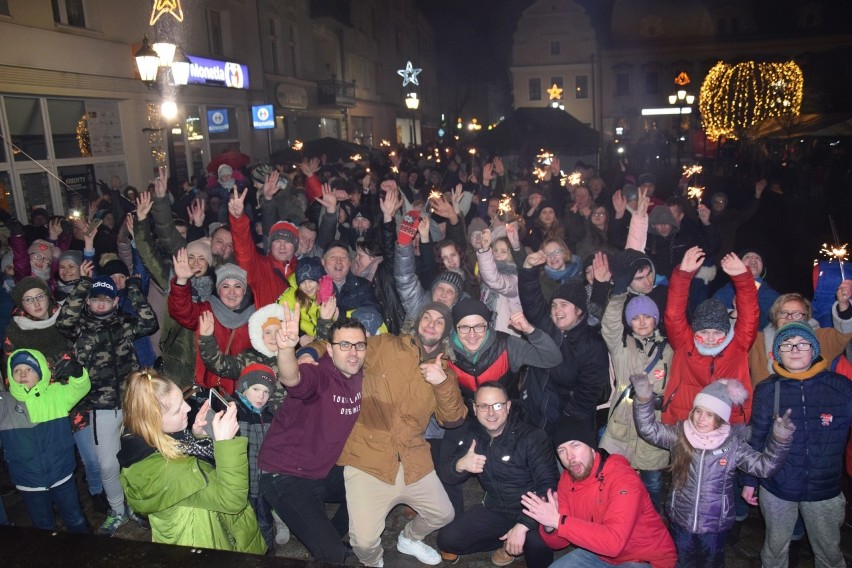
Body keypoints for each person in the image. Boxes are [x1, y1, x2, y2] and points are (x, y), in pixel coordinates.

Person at [334, 301, 468, 567]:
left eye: (439, 321)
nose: (431, 323)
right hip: (368, 457)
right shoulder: (384, 345)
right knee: (362, 541)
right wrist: (310, 353)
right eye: (426, 317)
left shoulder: (447, 373)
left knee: (444, 513)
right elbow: (345, 352)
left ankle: (408, 539)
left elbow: (453, 419)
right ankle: (374, 562)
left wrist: (441, 383)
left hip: (412, 458)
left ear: (445, 332)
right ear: (417, 322)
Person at [633, 376, 794, 567]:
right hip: (680, 518)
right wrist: (644, 399)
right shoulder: (679, 435)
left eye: (710, 414)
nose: (701, 419)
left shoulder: (733, 445)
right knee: (682, 562)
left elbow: (764, 467)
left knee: (711, 563)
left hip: (715, 524)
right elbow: (648, 430)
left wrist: (780, 440)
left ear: (720, 418)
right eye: (698, 411)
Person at [117, 369, 266, 553]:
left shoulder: (149, 443)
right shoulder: (169, 471)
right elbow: (233, 500)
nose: (188, 408)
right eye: (178, 408)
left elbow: (187, 459)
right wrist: (226, 444)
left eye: (183, 399)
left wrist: (196, 436)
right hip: (202, 546)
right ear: (154, 420)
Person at [742, 322, 852, 568]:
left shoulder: (841, 387)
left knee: (829, 553)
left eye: (802, 343)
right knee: (774, 549)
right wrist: (749, 481)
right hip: (777, 486)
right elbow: (756, 436)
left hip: (825, 490)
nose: (794, 349)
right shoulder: (768, 389)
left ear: (813, 349)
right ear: (777, 353)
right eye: (787, 344)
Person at [57, 270, 158, 535]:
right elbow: (64, 321)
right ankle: (116, 510)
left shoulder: (125, 323)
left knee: (137, 459)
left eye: (107, 299)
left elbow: (149, 323)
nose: (101, 303)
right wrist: (83, 285)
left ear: (115, 302)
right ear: (89, 301)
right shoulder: (78, 327)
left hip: (132, 403)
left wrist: (133, 287)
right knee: (107, 464)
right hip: (100, 407)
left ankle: (136, 507)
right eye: (96, 298)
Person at [258, 315, 366, 564]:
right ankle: (328, 545)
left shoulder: (358, 375)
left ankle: (329, 535)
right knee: (332, 556)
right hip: (284, 474)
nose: (353, 353)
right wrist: (286, 351)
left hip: (321, 470)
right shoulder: (319, 373)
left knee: (372, 480)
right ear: (329, 349)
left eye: (359, 345)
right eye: (344, 345)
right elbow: (293, 378)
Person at [520, 421, 678, 568]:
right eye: (562, 451)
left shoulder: (623, 479)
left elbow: (613, 544)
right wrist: (549, 525)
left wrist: (558, 521)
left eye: (575, 445)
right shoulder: (566, 480)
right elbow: (559, 542)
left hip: (644, 558)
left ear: (591, 446)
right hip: (599, 554)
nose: (569, 457)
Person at [436, 382, 559, 567]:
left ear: (508, 406)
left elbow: (549, 484)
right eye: (483, 406)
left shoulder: (531, 436)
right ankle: (505, 540)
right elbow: (447, 474)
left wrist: (524, 524)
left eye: (497, 405)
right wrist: (460, 465)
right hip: (496, 509)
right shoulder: (474, 435)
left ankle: (520, 540)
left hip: (531, 511)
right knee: (446, 539)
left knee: (537, 544)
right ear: (474, 409)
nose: (491, 413)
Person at [661, 248, 758, 425]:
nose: (711, 338)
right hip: (683, 422)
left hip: (729, 424)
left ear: (726, 331)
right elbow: (673, 314)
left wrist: (743, 278)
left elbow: (750, 315)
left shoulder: (738, 345)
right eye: (703, 332)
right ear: (694, 331)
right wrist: (683, 275)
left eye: (718, 332)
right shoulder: (684, 343)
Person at [0, 349, 90, 534]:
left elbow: (80, 387)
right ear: (10, 375)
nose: (23, 374)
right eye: (17, 370)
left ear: (41, 372)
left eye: (29, 369)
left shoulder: (56, 394)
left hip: (62, 475)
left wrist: (77, 372)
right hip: (28, 481)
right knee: (43, 528)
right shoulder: (5, 404)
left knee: (76, 519)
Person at [599, 292, 673, 511]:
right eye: (635, 317)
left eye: (647, 316)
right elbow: (610, 322)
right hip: (623, 422)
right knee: (615, 479)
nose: (642, 322)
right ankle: (617, 517)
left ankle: (654, 520)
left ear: (655, 319)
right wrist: (619, 293)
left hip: (653, 424)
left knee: (653, 483)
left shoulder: (668, 350)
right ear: (629, 321)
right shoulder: (621, 344)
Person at [748, 286, 852, 385]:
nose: (789, 318)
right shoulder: (758, 341)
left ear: (806, 317)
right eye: (783, 313)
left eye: (796, 314)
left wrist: (843, 304)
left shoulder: (821, 338)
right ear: (775, 316)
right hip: (768, 401)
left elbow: (844, 332)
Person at [228, 176, 299, 306]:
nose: (282, 246)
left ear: (295, 247)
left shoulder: (303, 271)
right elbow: (243, 251)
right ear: (270, 244)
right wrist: (238, 219)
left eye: (288, 242)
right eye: (277, 241)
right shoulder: (259, 267)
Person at [232, 363, 279, 552]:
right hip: (241, 486)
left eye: (267, 392)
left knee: (265, 523)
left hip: (262, 485)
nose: (261, 396)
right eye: (256, 388)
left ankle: (268, 555)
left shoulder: (268, 415)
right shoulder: (234, 412)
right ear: (244, 388)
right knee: (243, 528)